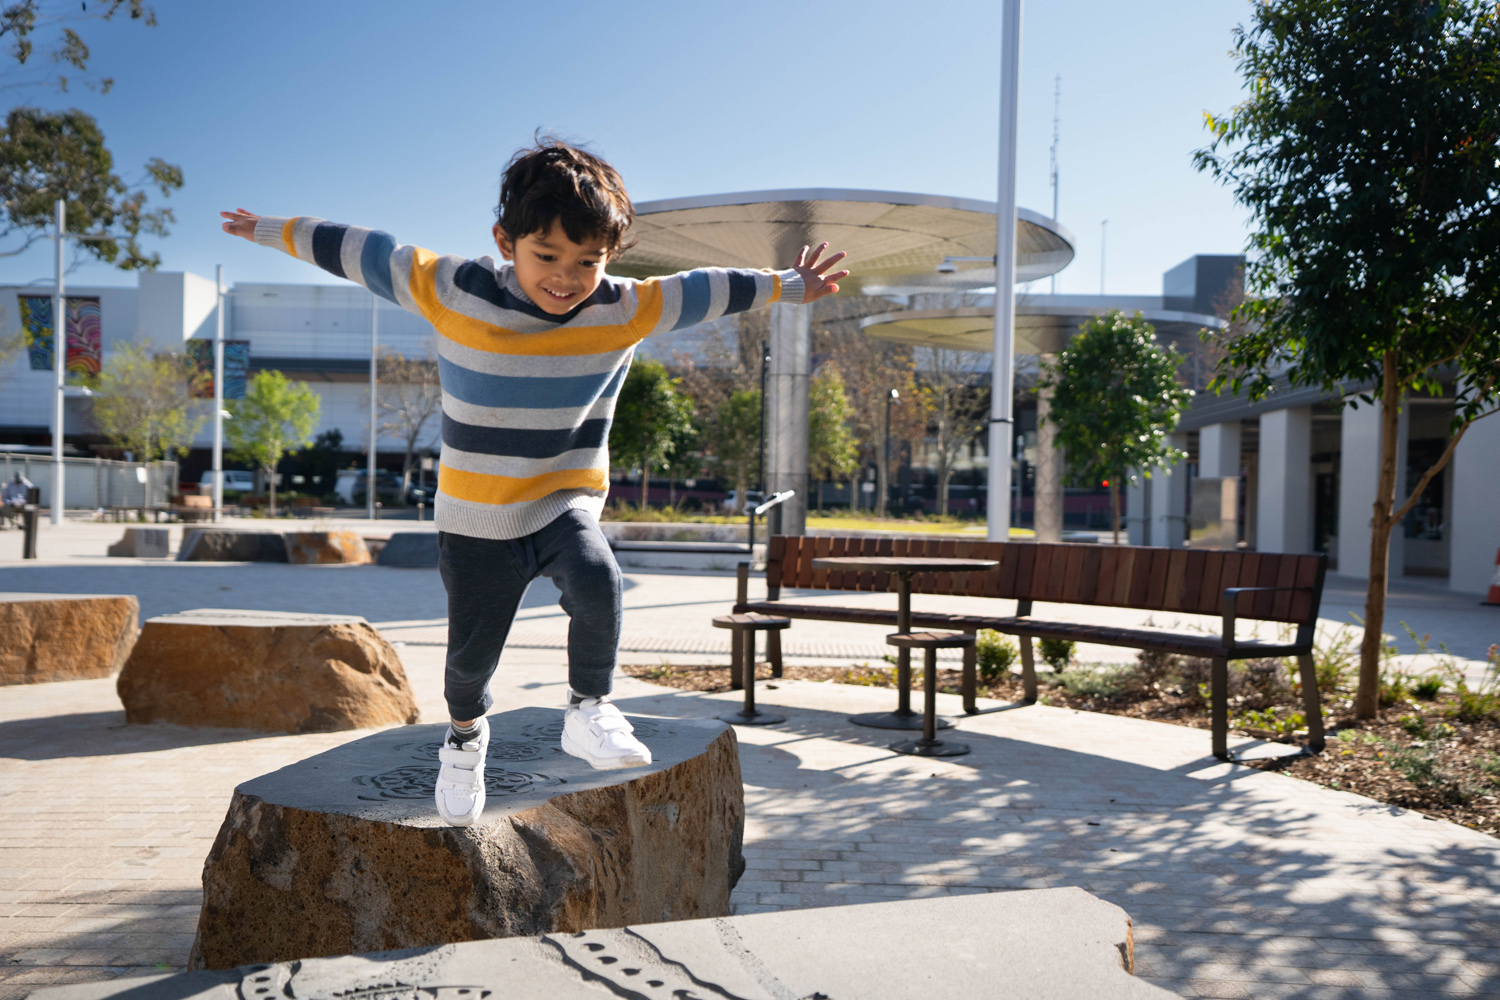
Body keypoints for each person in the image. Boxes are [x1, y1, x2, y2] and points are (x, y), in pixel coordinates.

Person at [221, 139, 849, 827]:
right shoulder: (454, 288)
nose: (566, 277)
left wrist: (791, 283)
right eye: (546, 256)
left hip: (560, 501)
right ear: (505, 241)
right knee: (468, 666)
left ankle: (589, 707)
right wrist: (270, 230)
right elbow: (365, 251)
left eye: (588, 261)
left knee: (596, 578)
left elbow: (704, 289)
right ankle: (464, 738)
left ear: (610, 255)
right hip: (474, 520)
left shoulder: (623, 307)